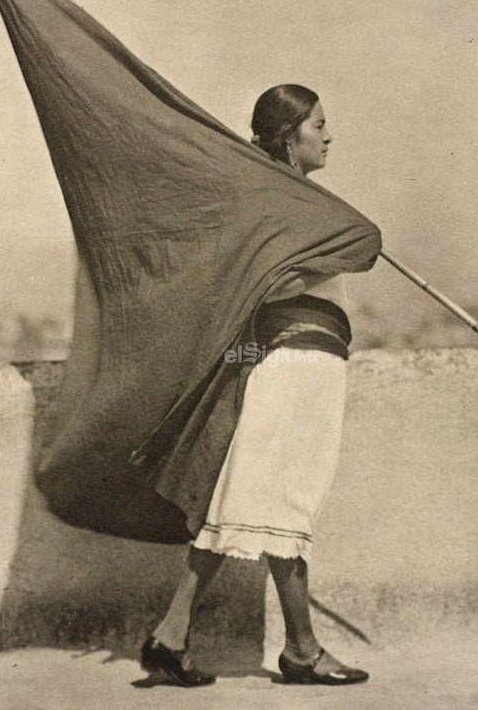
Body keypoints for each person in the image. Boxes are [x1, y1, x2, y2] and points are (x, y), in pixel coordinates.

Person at [140, 85, 372, 688]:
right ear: (290, 137)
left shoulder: (289, 201)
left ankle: (172, 636)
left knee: (246, 505)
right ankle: (301, 651)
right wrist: (340, 238)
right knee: (278, 503)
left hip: (298, 364)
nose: (329, 136)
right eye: (319, 125)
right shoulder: (278, 205)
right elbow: (264, 282)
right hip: (292, 368)